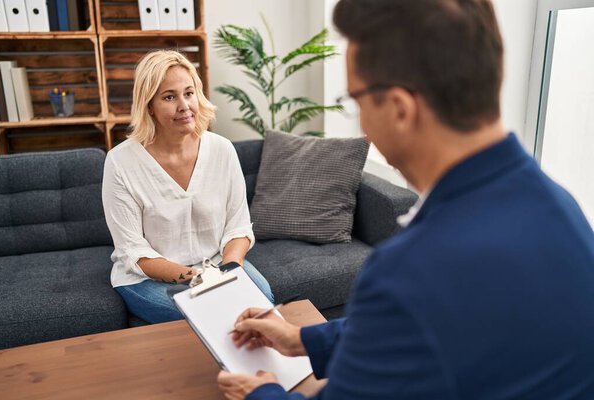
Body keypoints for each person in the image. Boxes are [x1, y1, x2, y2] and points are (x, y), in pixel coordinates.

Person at [217, 0, 594, 399]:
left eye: (357, 101)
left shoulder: (410, 271)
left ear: (399, 108)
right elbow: (436, 325)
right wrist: (301, 340)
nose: (361, 122)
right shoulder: (560, 207)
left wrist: (261, 394)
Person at [102, 50, 274, 324]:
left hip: (217, 265)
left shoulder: (222, 150)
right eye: (169, 97)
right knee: (208, 315)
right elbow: (133, 250)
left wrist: (229, 270)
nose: (184, 105)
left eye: (189, 93)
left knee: (261, 301)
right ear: (149, 107)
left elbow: (238, 226)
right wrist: (198, 279)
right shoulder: (121, 162)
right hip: (146, 278)